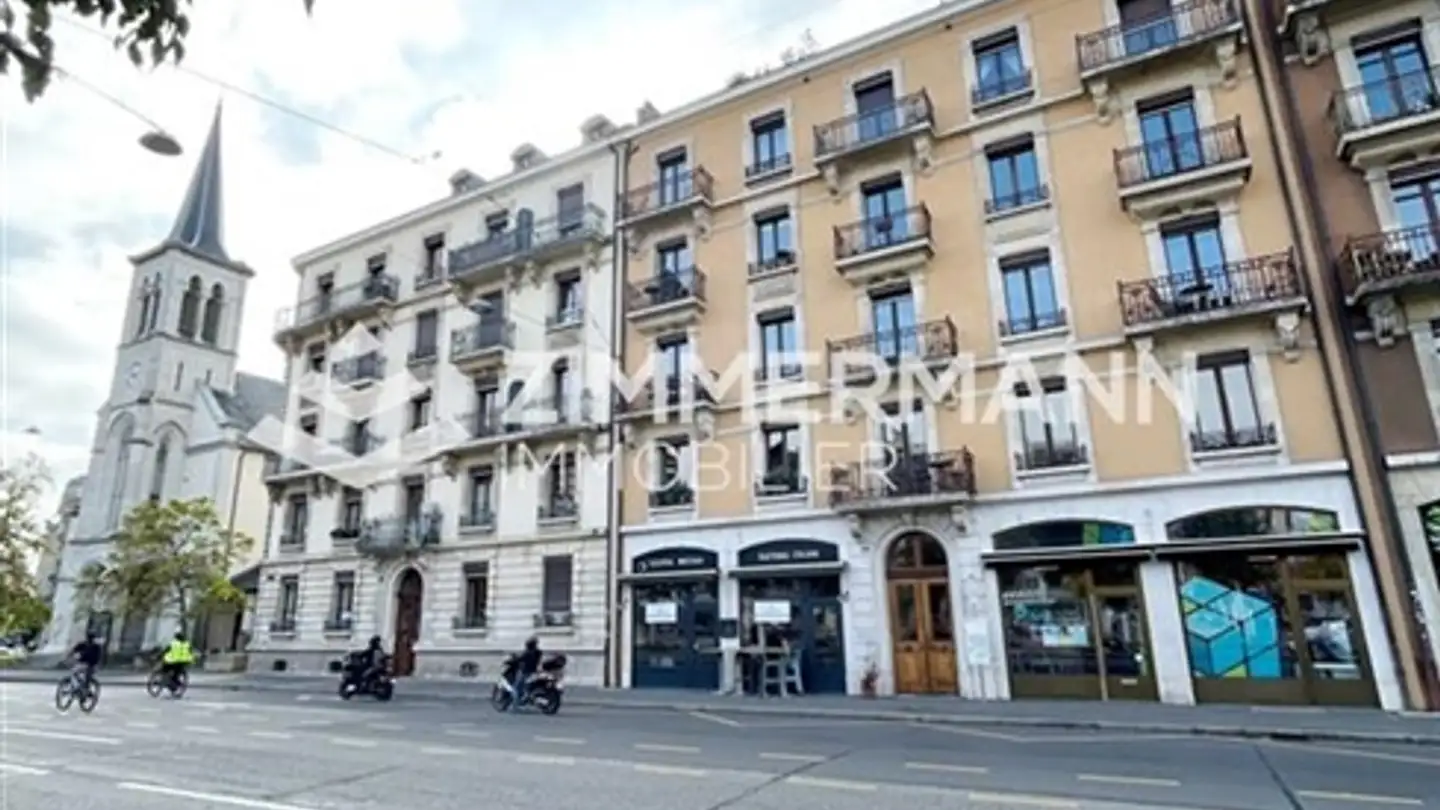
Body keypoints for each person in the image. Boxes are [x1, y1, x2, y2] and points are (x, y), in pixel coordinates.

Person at [512, 636, 542, 708]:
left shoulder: (527, 653)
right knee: (525, 686)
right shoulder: (538, 652)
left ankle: (517, 703)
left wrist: (514, 657)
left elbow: (519, 659)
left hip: (526, 672)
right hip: (534, 671)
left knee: (516, 687)